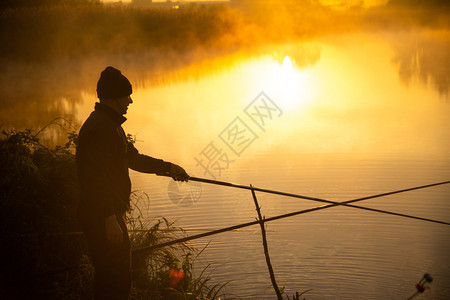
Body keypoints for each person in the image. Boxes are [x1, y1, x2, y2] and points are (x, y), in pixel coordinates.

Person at [76, 66, 189, 299]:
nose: (130, 100)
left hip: (110, 214)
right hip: (103, 216)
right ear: (115, 96)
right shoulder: (101, 128)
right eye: (127, 95)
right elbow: (93, 177)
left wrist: (169, 168)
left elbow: (133, 158)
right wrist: (109, 217)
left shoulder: (110, 125)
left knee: (115, 278)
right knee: (113, 282)